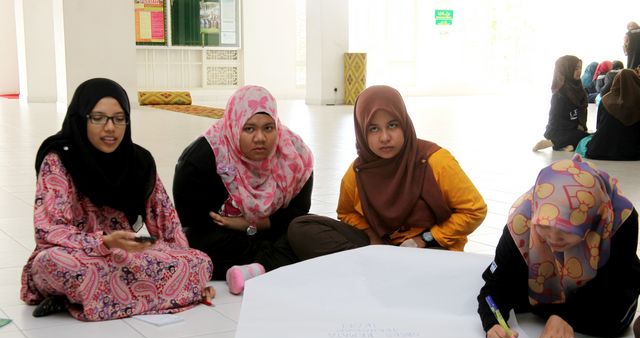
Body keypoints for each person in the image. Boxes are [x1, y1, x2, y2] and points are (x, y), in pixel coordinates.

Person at [21, 78, 214, 320]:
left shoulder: (139, 161)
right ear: (81, 119)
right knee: (55, 263)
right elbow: (49, 230)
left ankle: (84, 299)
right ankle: (163, 296)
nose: (110, 128)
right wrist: (103, 242)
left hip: (125, 256)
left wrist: (190, 268)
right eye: (98, 118)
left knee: (200, 261)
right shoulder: (59, 159)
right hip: (76, 255)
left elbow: (167, 222)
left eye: (119, 118)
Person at [287, 85, 487, 259]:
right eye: (373, 129)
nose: (384, 137)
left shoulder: (434, 161)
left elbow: (475, 210)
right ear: (361, 131)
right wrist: (373, 238)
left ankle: (373, 266)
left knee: (426, 263)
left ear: (405, 124)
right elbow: (346, 212)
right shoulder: (358, 172)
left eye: (392, 125)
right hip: (382, 246)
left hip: (430, 249)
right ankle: (379, 263)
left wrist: (426, 238)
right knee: (300, 228)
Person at [477, 156, 640, 338]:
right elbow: (494, 286)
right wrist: (492, 325)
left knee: (610, 320)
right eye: (544, 226)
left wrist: (567, 316)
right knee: (510, 291)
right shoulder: (523, 220)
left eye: (566, 230)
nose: (553, 239)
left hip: (600, 290)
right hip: (544, 289)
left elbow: (613, 283)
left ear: (591, 220)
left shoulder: (619, 218)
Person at [173, 85, 313, 295]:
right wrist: (237, 228)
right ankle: (273, 263)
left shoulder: (295, 155)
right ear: (234, 125)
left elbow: (297, 213)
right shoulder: (202, 158)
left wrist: (251, 224)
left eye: (268, 128)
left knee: (309, 229)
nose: (260, 138)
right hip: (224, 237)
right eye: (249, 129)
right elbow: (192, 220)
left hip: (271, 230)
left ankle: (256, 267)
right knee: (191, 242)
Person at [577, 69, 640, 160]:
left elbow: (599, 126)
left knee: (584, 141)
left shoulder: (606, 99)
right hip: (633, 151)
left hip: (602, 149)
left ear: (615, 82)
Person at [533, 55, 589, 152]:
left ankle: (564, 145)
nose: (579, 71)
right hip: (559, 130)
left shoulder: (579, 88)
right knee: (585, 137)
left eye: (580, 68)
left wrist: (582, 125)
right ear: (567, 70)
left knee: (588, 136)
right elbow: (555, 120)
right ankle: (552, 142)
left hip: (573, 128)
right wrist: (575, 126)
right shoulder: (559, 94)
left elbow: (583, 111)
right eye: (575, 68)